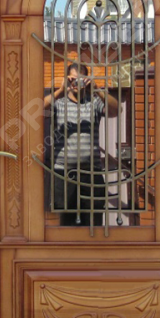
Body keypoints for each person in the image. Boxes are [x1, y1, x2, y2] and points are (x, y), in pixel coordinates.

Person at [44, 62, 119, 226]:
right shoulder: (59, 104)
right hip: (64, 173)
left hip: (92, 172)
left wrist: (97, 89)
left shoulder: (94, 103)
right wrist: (60, 90)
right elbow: (39, 110)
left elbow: (116, 110)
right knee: (66, 224)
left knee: (94, 222)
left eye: (81, 79)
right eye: (73, 79)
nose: (77, 83)